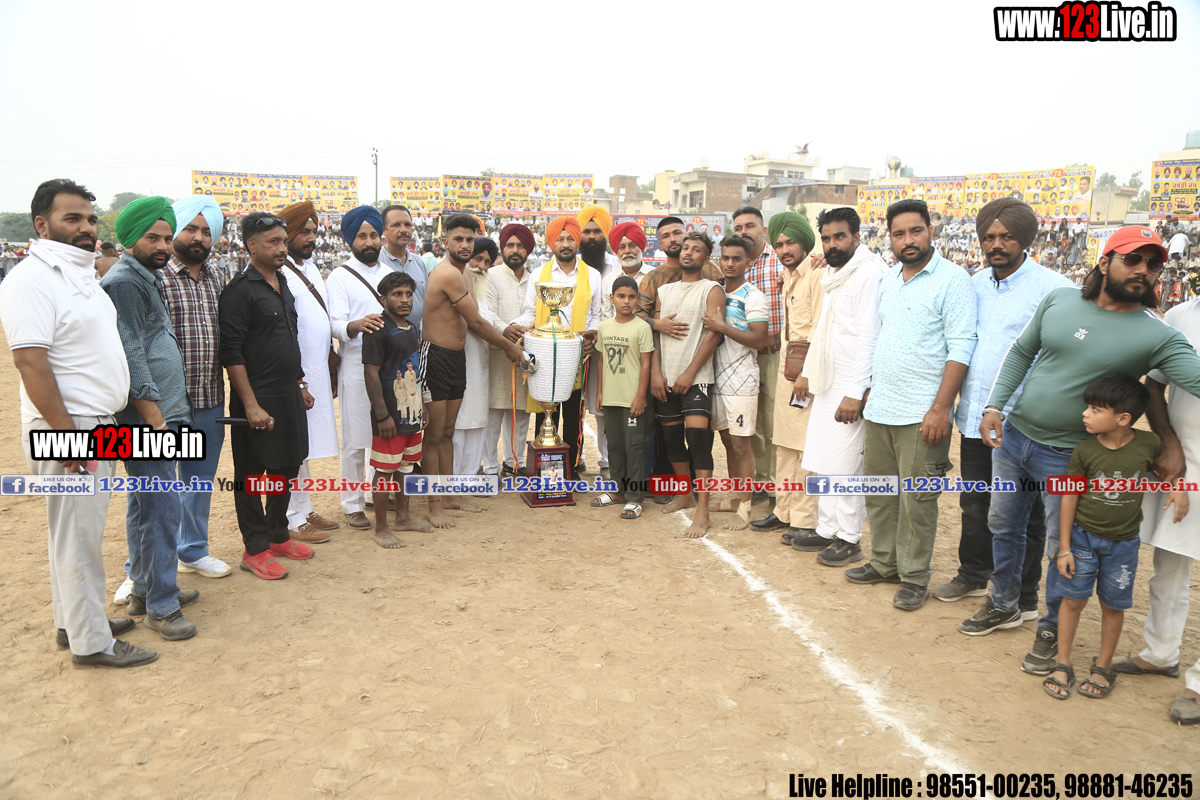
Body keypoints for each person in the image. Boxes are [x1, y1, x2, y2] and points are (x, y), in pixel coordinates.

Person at [973, 225, 1200, 675]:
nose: (1144, 269)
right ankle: (1004, 602)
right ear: (1105, 261)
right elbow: (1021, 352)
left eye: (1153, 263)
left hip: (1070, 457)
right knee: (1002, 524)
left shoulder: (1157, 335)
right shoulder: (1059, 300)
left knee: (1064, 545)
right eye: (1133, 259)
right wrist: (995, 405)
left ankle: (1050, 629)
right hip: (1014, 438)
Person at [0, 179, 155, 668]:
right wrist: (67, 436)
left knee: (71, 534)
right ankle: (92, 644)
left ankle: (74, 623)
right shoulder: (30, 279)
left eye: (89, 218)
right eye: (73, 218)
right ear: (42, 225)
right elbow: (30, 363)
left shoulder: (80, 275)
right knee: (79, 539)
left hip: (96, 423)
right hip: (70, 429)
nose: (86, 227)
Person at [846, 199, 977, 612]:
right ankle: (884, 562)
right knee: (880, 494)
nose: (908, 240)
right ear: (889, 237)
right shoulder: (888, 279)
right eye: (899, 233)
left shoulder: (954, 280)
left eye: (916, 231)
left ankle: (915, 576)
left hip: (923, 414)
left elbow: (961, 347)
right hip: (881, 408)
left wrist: (941, 408)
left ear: (931, 231)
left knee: (917, 500)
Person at [941, 199, 1071, 614]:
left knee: (1026, 514)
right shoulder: (974, 284)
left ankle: (1025, 596)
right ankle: (973, 574)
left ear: (1025, 239)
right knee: (974, 502)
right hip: (975, 416)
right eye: (989, 237)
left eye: (1007, 237)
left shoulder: (1055, 289)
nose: (996, 245)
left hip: (1024, 424)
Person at [1042, 375, 1183, 699]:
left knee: (1113, 605)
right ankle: (1063, 663)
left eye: (1095, 409)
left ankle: (1103, 667)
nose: (1085, 414)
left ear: (1122, 418)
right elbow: (1069, 496)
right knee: (1073, 601)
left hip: (1123, 545)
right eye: (1088, 407)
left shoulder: (1148, 444)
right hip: (1082, 541)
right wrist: (1064, 548)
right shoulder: (1084, 449)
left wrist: (1179, 486)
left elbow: (1168, 468)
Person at [102, 197, 200, 640]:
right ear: (128, 239)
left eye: (166, 237)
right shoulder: (125, 281)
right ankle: (162, 605)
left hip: (158, 414)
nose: (162, 246)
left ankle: (145, 590)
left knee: (145, 504)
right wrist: (156, 418)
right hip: (148, 420)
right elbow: (132, 354)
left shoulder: (145, 276)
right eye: (152, 238)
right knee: (161, 508)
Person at [1115, 296, 1200, 723]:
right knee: (1170, 562)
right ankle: (1160, 652)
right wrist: (1168, 442)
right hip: (1186, 459)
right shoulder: (1183, 314)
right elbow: (1154, 384)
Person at [219, 212, 314, 580]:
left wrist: (300, 385)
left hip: (287, 393)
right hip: (256, 398)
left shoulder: (283, 282)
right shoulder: (239, 291)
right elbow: (232, 352)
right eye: (273, 242)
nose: (282, 248)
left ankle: (277, 535)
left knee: (286, 466)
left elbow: (288, 338)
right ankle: (255, 549)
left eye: (283, 241)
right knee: (251, 474)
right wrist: (250, 404)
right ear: (251, 245)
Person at [791, 207, 886, 566]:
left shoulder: (869, 274)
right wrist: (807, 373)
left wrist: (856, 392)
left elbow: (869, 337)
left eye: (840, 237)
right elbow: (825, 330)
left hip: (851, 384)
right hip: (827, 380)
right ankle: (827, 528)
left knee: (846, 464)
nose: (832, 244)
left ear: (857, 238)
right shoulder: (834, 273)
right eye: (827, 238)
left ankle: (849, 538)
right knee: (825, 458)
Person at [423, 214, 526, 528]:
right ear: (446, 242)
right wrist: (510, 347)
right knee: (434, 435)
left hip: (457, 359)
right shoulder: (447, 274)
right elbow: (477, 323)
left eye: (469, 239)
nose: (465, 245)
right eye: (459, 239)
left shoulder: (466, 273)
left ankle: (451, 495)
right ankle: (434, 504)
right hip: (436, 357)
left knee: (448, 431)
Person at [160, 195, 232, 580]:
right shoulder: (155, 275)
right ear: (175, 229)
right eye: (190, 228)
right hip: (163, 402)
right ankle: (145, 566)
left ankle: (193, 550)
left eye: (206, 231)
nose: (199, 237)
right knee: (154, 485)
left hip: (209, 397)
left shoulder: (217, 276)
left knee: (199, 480)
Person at [505, 216, 602, 481]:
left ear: (577, 241)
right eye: (560, 239)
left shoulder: (592, 275)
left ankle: (570, 469)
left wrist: (592, 334)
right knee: (546, 412)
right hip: (545, 354)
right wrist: (513, 326)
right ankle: (544, 469)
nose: (565, 244)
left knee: (573, 415)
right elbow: (530, 313)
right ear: (552, 243)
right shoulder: (539, 274)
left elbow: (596, 315)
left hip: (577, 354)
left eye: (570, 238)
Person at [751, 213, 822, 540]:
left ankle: (804, 520)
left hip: (806, 372)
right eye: (778, 245)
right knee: (784, 442)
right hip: (786, 367)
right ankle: (783, 510)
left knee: (805, 447)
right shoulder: (789, 276)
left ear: (805, 242)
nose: (784, 250)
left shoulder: (818, 275)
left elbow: (820, 329)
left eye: (790, 242)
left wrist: (807, 374)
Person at [651, 231, 725, 538]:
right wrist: (656, 373)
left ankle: (703, 510)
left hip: (697, 380)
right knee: (671, 441)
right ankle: (685, 494)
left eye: (696, 249)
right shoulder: (664, 290)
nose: (688, 252)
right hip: (665, 379)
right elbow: (654, 336)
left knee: (698, 442)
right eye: (685, 248)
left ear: (705, 258)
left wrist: (690, 373)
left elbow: (714, 334)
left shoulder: (712, 289)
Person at [279, 201, 340, 543]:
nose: (311, 238)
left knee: (304, 445)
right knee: (291, 445)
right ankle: (291, 517)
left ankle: (304, 508)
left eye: (314, 231)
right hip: (294, 372)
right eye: (304, 231)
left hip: (316, 368)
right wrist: (298, 379)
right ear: (287, 233)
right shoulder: (281, 272)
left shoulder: (312, 268)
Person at [699, 236, 768, 530]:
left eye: (736, 259)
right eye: (725, 258)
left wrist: (723, 327)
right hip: (717, 378)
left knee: (741, 444)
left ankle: (746, 507)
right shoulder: (716, 293)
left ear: (747, 262)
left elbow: (760, 339)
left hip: (742, 380)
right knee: (727, 440)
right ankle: (734, 496)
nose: (729, 264)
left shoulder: (753, 296)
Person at [325, 206, 388, 528]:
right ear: (350, 240)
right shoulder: (340, 276)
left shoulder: (388, 272)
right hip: (355, 365)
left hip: (388, 366)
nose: (369, 242)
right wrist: (357, 324)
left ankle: (376, 495)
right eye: (362, 236)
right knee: (355, 438)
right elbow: (334, 325)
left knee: (384, 434)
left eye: (374, 235)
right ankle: (352, 503)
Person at [363, 272, 430, 547]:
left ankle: (403, 518)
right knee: (385, 470)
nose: (404, 299)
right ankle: (381, 528)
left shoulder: (411, 327)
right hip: (390, 415)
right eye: (397, 294)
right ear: (383, 299)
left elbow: (416, 373)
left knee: (407, 466)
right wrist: (382, 415)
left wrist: (422, 406)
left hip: (412, 413)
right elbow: (371, 374)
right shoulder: (378, 329)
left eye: (408, 294)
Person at [732, 207, 783, 505]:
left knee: (775, 423)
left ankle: (778, 488)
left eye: (750, 226)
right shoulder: (733, 264)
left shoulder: (780, 260)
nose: (744, 232)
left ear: (763, 230)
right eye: (738, 228)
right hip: (742, 358)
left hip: (775, 355)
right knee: (752, 426)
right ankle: (762, 484)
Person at [593, 275, 654, 519]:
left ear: (637, 299)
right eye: (621, 296)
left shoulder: (642, 327)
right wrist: (600, 392)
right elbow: (601, 361)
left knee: (634, 448)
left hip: (632, 401)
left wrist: (640, 396)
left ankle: (635, 497)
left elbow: (646, 364)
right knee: (615, 446)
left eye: (631, 297)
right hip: (611, 399)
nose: (626, 301)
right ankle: (618, 492)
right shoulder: (605, 327)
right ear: (612, 299)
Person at [484, 224, 534, 477]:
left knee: (520, 411)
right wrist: (506, 330)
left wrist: (521, 332)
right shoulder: (491, 276)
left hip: (524, 352)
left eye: (521, 246)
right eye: (510, 245)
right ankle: (490, 466)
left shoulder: (535, 280)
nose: (515, 250)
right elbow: (487, 312)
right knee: (493, 411)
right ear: (502, 249)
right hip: (495, 351)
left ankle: (514, 462)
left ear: (528, 250)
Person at [577, 205, 619, 477]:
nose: (592, 236)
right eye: (586, 232)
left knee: (605, 407)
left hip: (609, 351)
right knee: (574, 406)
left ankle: (606, 462)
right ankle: (575, 458)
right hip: (576, 348)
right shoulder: (571, 266)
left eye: (597, 231)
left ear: (605, 235)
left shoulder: (617, 266)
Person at [452, 236, 495, 475]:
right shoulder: (453, 284)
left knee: (477, 423)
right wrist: (509, 346)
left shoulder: (483, 293)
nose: (482, 266)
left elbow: (490, 321)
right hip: (457, 368)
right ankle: (455, 480)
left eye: (487, 262)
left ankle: (469, 476)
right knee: (458, 426)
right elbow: (477, 324)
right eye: (477, 259)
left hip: (479, 370)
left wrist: (512, 330)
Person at [379, 205, 428, 326]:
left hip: (416, 335)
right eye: (396, 225)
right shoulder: (376, 262)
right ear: (384, 230)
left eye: (407, 225)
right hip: (386, 335)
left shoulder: (419, 262)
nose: (403, 230)